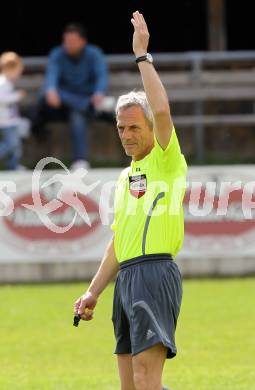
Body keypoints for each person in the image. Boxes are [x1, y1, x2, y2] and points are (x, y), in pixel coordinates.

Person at [74, 11, 187, 390]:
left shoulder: (166, 161)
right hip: (127, 279)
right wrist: (93, 290)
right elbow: (119, 239)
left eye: (134, 127)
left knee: (145, 379)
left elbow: (162, 110)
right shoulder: (125, 177)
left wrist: (142, 56)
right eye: (121, 128)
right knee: (131, 386)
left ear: (152, 129)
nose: (126, 134)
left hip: (155, 274)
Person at [32, 23, 108, 169]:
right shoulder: (57, 53)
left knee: (77, 115)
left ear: (83, 42)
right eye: (66, 41)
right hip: (61, 104)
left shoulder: (94, 54)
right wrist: (51, 90)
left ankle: (80, 161)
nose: (68, 45)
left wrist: (99, 92)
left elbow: (101, 76)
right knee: (46, 92)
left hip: (82, 104)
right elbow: (52, 76)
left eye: (72, 41)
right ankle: (85, 104)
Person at [0, 52, 30, 170]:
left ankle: (13, 165)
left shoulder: (7, 83)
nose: (19, 74)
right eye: (18, 71)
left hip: (11, 120)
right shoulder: (2, 83)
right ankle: (13, 165)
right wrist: (16, 96)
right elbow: (2, 99)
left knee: (16, 144)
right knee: (11, 144)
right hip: (5, 121)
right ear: (9, 69)